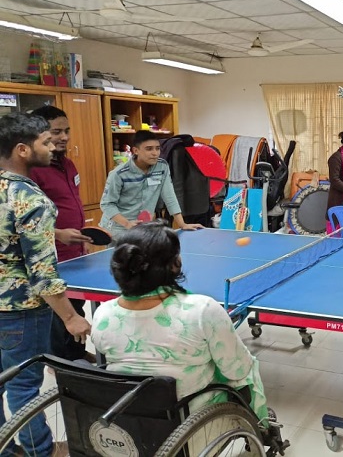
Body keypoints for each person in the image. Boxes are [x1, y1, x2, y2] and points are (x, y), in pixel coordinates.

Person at [91, 222, 269, 423]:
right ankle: (261, 426)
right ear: (174, 264)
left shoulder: (103, 314)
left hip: (128, 419)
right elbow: (237, 369)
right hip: (193, 423)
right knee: (248, 368)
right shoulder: (202, 310)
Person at [0, 112, 91, 457]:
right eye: (46, 141)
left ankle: (6, 449)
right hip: (22, 310)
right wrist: (71, 317)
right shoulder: (32, 199)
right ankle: (41, 451)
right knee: (24, 384)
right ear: (23, 150)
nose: (54, 146)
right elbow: (42, 272)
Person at [29, 105, 95, 364]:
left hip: (74, 251)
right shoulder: (33, 170)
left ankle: (76, 354)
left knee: (76, 306)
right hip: (49, 253)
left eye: (67, 131)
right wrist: (57, 234)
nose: (64, 137)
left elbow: (73, 201)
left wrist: (80, 240)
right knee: (57, 314)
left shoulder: (68, 164)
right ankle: (60, 363)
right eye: (56, 132)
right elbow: (27, 222)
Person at [99, 130, 203, 236]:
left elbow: (169, 196)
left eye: (157, 148)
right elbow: (107, 204)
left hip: (143, 227)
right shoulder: (119, 174)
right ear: (135, 150)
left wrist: (182, 224)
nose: (155, 153)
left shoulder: (162, 166)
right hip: (118, 228)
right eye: (149, 149)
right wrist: (127, 224)